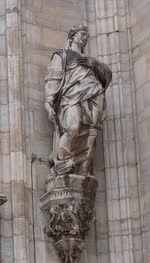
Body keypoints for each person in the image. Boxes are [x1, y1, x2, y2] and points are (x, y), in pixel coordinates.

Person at [44, 25, 111, 176]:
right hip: (71, 96)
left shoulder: (91, 61)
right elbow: (54, 78)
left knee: (90, 136)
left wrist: (94, 65)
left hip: (93, 97)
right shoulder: (62, 55)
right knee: (72, 127)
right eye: (82, 34)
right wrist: (48, 102)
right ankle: (61, 163)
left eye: (87, 36)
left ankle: (82, 169)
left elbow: (106, 76)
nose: (85, 38)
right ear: (72, 36)